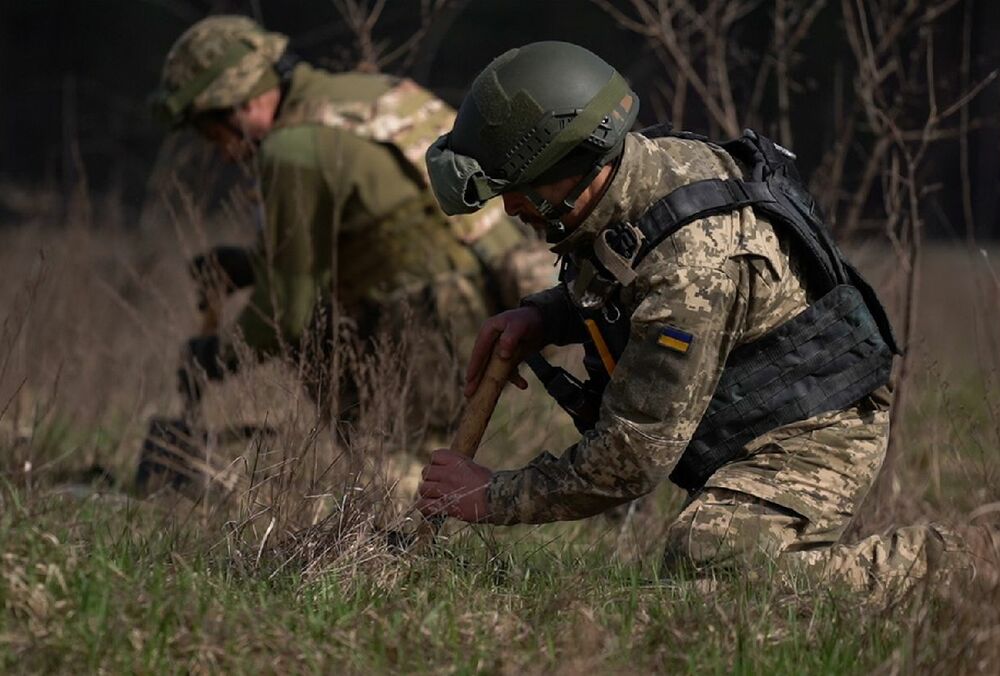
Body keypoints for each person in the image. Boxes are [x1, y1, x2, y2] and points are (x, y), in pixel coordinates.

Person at [416, 41, 998, 600]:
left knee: (718, 565)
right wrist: (544, 316)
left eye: (518, 191)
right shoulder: (632, 174)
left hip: (814, 427)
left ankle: (971, 561)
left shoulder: (691, 267)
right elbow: (621, 279)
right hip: (754, 412)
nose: (511, 208)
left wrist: (493, 495)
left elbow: (631, 458)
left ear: (572, 163)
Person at [148, 16, 554, 440]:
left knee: (398, 475)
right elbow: (390, 225)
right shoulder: (371, 92)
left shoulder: (293, 148)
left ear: (242, 102)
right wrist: (255, 265)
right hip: (509, 293)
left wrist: (219, 357)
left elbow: (286, 311)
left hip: (439, 316)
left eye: (213, 132)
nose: (226, 154)